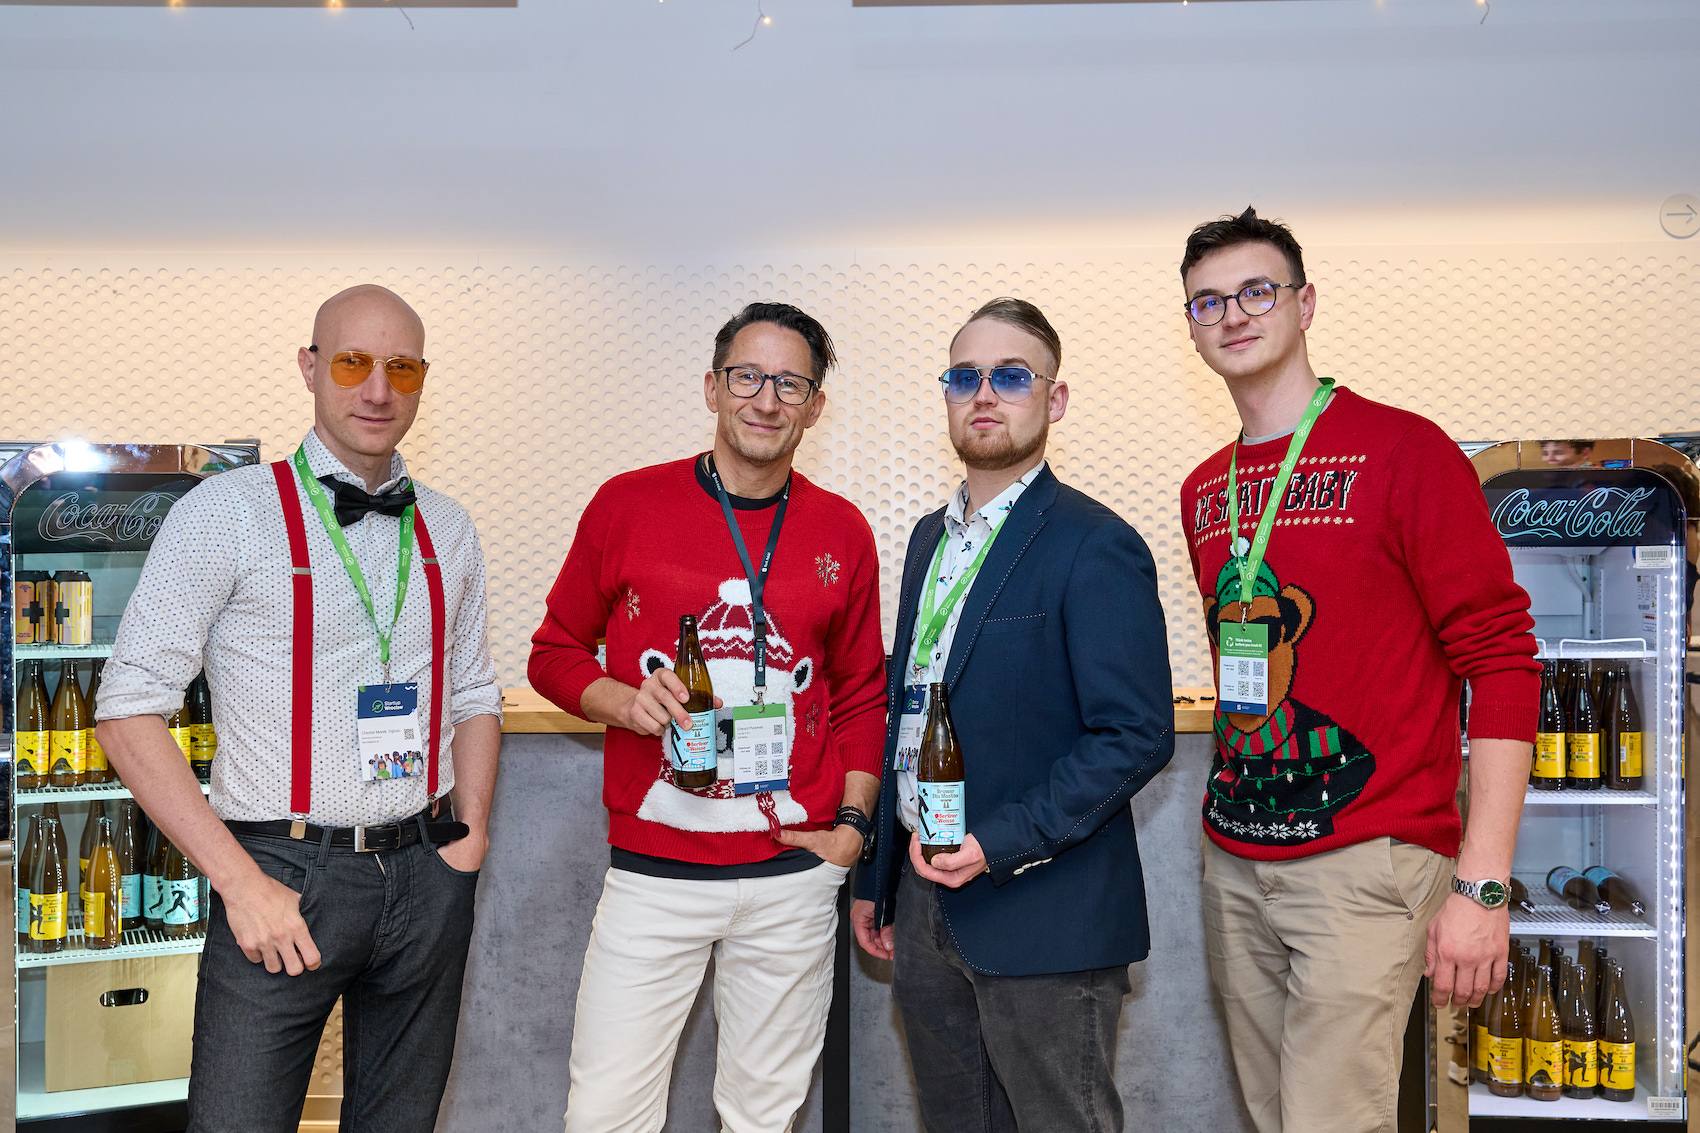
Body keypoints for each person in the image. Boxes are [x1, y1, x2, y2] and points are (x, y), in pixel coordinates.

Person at [96, 284, 502, 1133]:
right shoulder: (227, 513)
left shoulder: (449, 526)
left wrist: (468, 842)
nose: (378, 390)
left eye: (401, 368)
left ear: (423, 380)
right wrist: (240, 883)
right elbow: (128, 710)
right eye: (353, 363)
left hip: (424, 866)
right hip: (279, 871)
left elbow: (471, 690)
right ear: (310, 369)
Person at [1177, 207, 1539, 1133]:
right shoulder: (1205, 489)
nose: (1233, 314)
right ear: (1191, 327)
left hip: (1365, 859)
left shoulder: (1404, 452)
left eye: (1257, 291)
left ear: (1305, 304)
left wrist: (1483, 883)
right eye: (1208, 301)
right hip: (1237, 856)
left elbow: (1502, 660)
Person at [529, 302, 887, 1132]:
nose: (766, 399)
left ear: (815, 406)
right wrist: (624, 702)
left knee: (763, 1115)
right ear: (712, 387)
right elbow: (553, 652)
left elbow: (862, 693)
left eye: (790, 383)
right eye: (747, 376)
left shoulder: (842, 529)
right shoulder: (626, 504)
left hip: (793, 874)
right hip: (655, 872)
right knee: (605, 1113)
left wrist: (852, 829)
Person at [853, 298, 1175, 1131]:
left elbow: (1136, 734)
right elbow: (907, 709)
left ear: (1054, 399)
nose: (985, 394)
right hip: (925, 899)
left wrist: (997, 842)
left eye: (1011, 376)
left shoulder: (1093, 542)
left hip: (1042, 907)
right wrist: (876, 879)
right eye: (965, 377)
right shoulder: (928, 540)